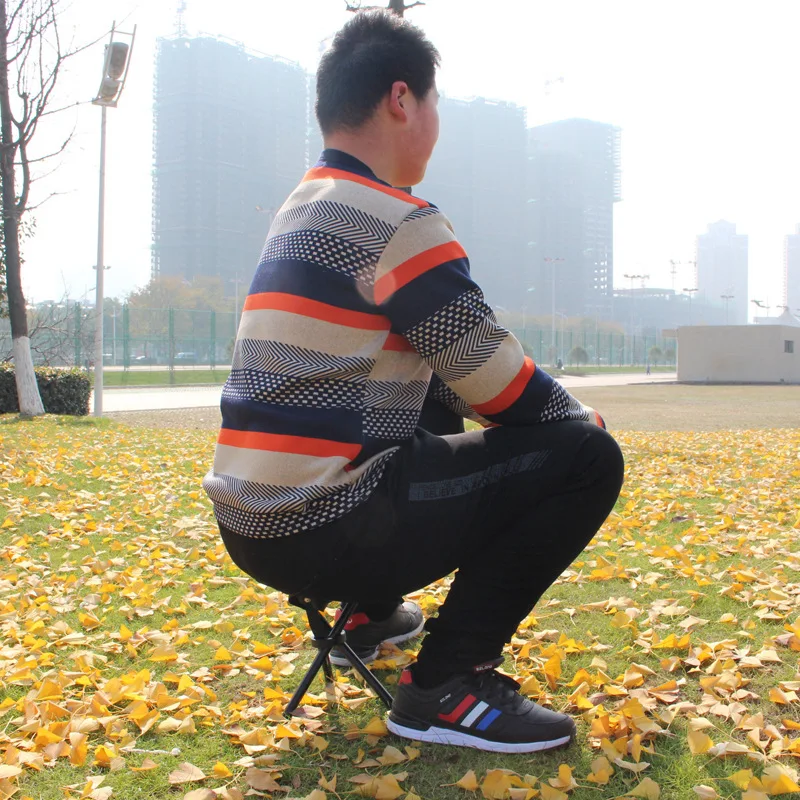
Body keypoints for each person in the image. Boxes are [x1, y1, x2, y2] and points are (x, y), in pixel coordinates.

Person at [203, 10, 624, 754]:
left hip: (251, 525)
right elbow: (500, 383)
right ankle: (447, 684)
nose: (435, 122)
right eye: (434, 103)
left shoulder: (301, 207)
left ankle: (370, 615)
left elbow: (440, 369)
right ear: (402, 99)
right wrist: (574, 418)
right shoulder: (394, 219)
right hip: (327, 524)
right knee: (588, 459)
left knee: (421, 384)